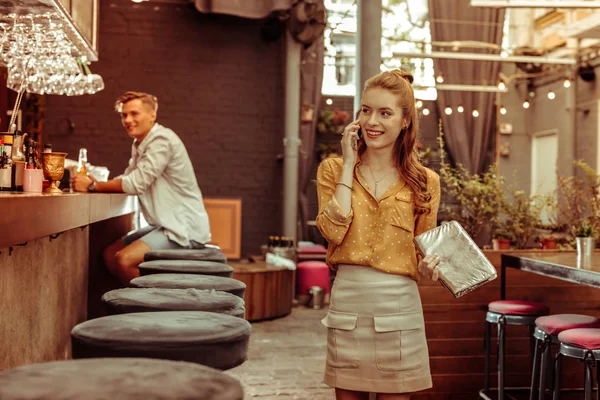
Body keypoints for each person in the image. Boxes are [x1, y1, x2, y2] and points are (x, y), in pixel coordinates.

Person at [316, 69, 441, 400]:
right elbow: (331, 230)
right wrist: (347, 165)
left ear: (404, 121)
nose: (372, 120)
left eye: (385, 112)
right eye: (366, 110)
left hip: (399, 305)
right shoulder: (332, 169)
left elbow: (423, 251)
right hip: (349, 301)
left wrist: (430, 267)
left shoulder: (425, 182)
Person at [71, 91, 211, 286]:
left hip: (183, 230)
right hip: (164, 225)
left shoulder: (161, 140)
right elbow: (129, 177)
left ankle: (152, 311)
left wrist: (93, 186)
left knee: (124, 259)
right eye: (123, 115)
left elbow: (136, 183)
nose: (127, 120)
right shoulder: (140, 143)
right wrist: (97, 184)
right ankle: (135, 304)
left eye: (134, 113)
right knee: (111, 255)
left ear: (152, 115)